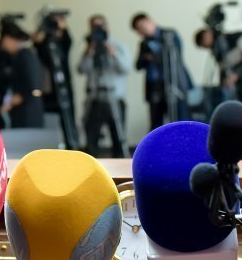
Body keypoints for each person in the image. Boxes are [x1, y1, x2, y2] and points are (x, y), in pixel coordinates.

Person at [78, 15, 132, 157]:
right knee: (91, 138)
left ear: (107, 26)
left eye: (100, 26)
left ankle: (120, 166)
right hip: (95, 99)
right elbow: (81, 69)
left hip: (115, 98)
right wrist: (89, 51)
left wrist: (112, 52)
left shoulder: (118, 46)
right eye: (94, 26)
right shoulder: (89, 48)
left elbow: (126, 68)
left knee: (118, 138)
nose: (97, 29)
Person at [133, 12, 192, 129]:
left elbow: (176, 58)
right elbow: (138, 66)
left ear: (149, 21)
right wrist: (146, 57)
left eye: (142, 27)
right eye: (139, 30)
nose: (142, 31)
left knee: (180, 122)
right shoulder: (144, 43)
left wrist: (154, 55)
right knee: (156, 125)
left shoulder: (170, 35)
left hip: (175, 85)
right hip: (154, 88)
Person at [33, 11, 77, 139]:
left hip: (64, 88)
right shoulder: (43, 43)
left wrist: (64, 28)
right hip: (48, 90)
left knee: (68, 119)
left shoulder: (61, 43)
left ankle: (71, 142)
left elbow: (68, 42)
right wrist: (41, 33)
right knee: (51, 120)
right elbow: (38, 49)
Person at [0, 19, 45, 128]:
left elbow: (31, 87)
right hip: (30, 111)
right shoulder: (27, 53)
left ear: (9, 38)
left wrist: (10, 103)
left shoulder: (24, 55)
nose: (4, 47)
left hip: (27, 113)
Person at [195, 26, 242, 105]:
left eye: (205, 36)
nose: (207, 39)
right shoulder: (217, 53)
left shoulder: (232, 39)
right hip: (238, 87)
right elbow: (223, 70)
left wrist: (237, 74)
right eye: (203, 41)